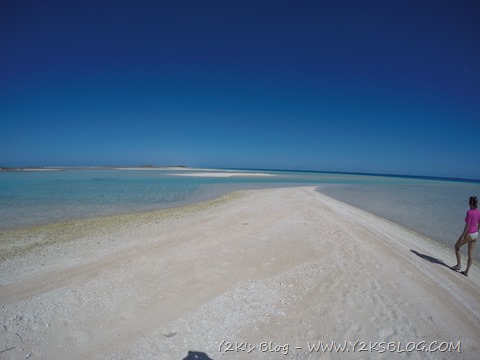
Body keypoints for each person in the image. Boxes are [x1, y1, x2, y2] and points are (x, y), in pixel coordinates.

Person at [451, 196, 480, 276]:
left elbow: (467, 225)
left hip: (469, 233)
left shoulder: (469, 212)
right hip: (476, 234)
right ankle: (466, 271)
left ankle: (458, 265)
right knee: (471, 253)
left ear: (470, 203)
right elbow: (479, 223)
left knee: (457, 246)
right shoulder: (479, 212)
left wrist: (462, 236)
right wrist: (477, 231)